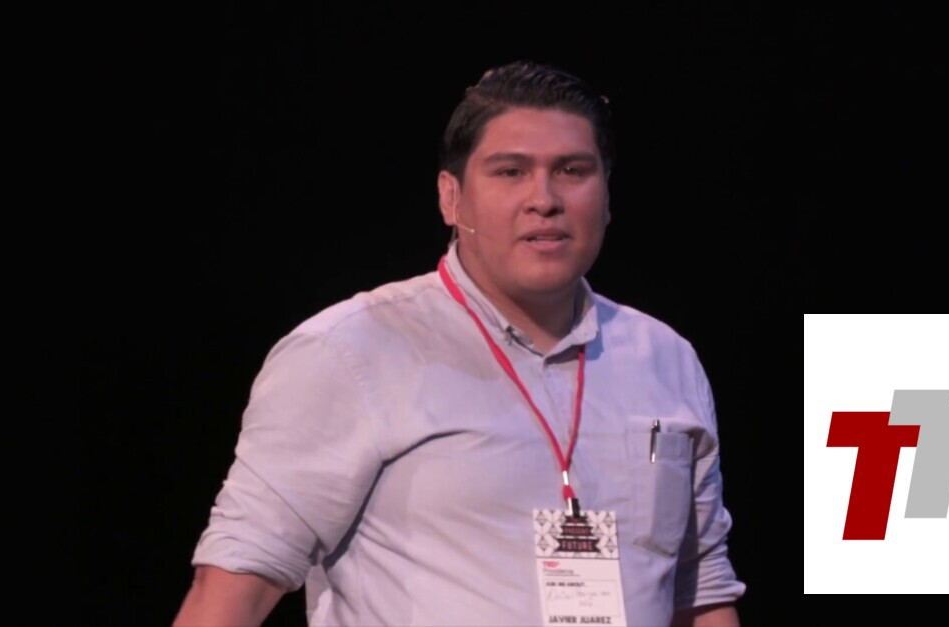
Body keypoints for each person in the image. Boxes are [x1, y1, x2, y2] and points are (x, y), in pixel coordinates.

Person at [174, 60, 745, 627]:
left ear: (607, 196)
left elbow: (701, 594)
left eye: (572, 170)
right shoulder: (351, 351)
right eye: (510, 172)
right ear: (451, 198)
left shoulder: (666, 360)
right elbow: (230, 592)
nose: (544, 199)